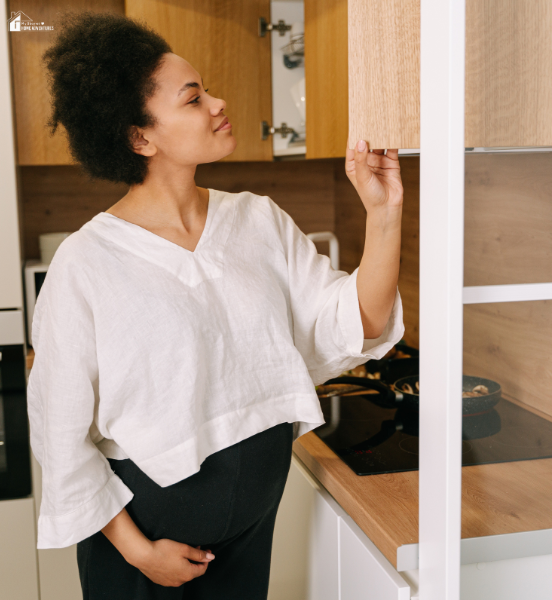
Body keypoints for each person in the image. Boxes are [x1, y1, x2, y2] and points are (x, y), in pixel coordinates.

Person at [26, 10, 405, 600]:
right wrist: (138, 551)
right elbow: (60, 433)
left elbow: (360, 322)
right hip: (142, 547)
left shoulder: (257, 220)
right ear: (140, 137)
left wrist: (384, 214)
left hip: (251, 530)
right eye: (194, 97)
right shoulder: (85, 264)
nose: (218, 102)